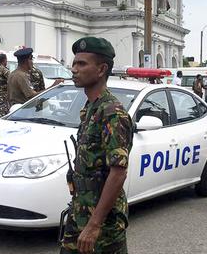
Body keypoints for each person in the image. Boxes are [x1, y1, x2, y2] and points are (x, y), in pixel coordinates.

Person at [60, 37, 133, 254]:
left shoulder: (112, 113)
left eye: (82, 64)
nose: (74, 69)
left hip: (104, 225)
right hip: (79, 213)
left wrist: (94, 226)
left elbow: (118, 173)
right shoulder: (90, 108)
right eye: (74, 63)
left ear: (101, 70)